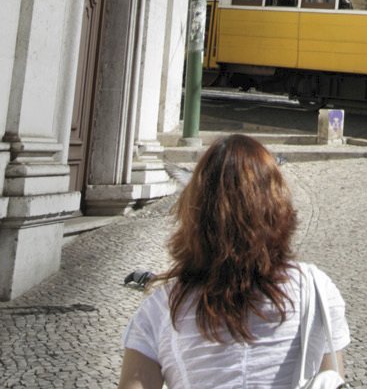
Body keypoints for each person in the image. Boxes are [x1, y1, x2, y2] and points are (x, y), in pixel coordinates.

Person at [117, 134, 348, 389]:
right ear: (276, 207)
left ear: (195, 211)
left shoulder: (160, 310)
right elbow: (331, 380)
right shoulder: (317, 292)